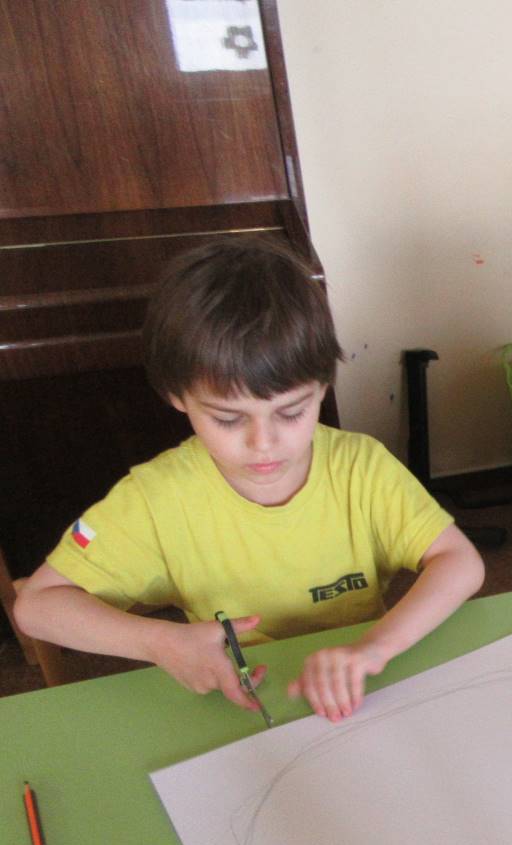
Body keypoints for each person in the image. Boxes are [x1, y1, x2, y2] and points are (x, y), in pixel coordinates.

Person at [14, 237, 486, 721]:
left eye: (291, 412)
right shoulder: (156, 498)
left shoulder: (361, 468)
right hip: (239, 700)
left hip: (360, 688)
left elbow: (460, 562)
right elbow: (36, 607)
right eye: (228, 418)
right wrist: (159, 641)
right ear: (178, 397)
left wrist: (374, 647)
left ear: (322, 387)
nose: (264, 444)